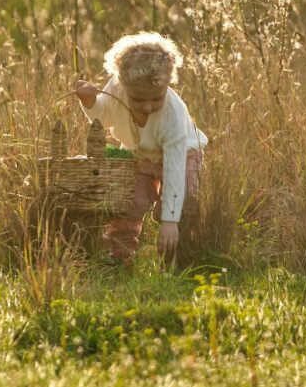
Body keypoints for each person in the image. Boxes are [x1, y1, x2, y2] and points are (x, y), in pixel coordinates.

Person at [73, 31, 208, 264]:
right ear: (123, 85)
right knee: (130, 202)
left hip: (183, 156)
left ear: (167, 84)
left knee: (180, 203)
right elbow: (103, 118)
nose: (147, 106)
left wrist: (170, 220)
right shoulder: (116, 89)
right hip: (142, 157)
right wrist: (90, 102)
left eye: (156, 98)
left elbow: (175, 166)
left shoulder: (172, 115)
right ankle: (119, 254)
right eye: (138, 99)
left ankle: (177, 257)